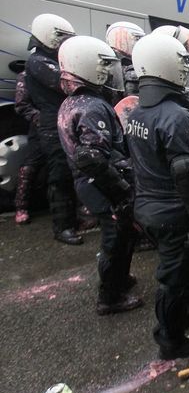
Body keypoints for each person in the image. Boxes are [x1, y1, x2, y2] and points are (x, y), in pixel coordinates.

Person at [126, 33, 189, 360]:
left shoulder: (136, 113)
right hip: (172, 210)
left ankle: (184, 314)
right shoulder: (175, 116)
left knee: (183, 269)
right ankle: (171, 340)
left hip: (148, 205)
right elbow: (187, 174)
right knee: (173, 277)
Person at [56, 35, 144, 315]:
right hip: (101, 185)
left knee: (122, 235)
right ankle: (110, 297)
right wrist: (121, 190)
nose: (108, 72)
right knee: (114, 239)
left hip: (90, 183)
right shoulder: (92, 107)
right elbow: (91, 157)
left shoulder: (74, 102)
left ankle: (119, 278)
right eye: (103, 66)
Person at [24, 13, 82, 245]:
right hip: (52, 122)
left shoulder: (53, 59)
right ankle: (63, 226)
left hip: (65, 117)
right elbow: (65, 83)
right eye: (60, 36)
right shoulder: (38, 62)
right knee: (60, 175)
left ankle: (73, 219)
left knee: (72, 171)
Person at [13, 68, 46, 225]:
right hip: (40, 128)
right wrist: (41, 119)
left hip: (63, 124)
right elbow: (21, 104)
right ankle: (21, 206)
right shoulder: (27, 75)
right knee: (29, 167)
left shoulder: (61, 73)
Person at [105, 21, 145, 98]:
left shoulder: (106, 65)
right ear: (122, 38)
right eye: (137, 38)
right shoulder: (131, 70)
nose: (141, 43)